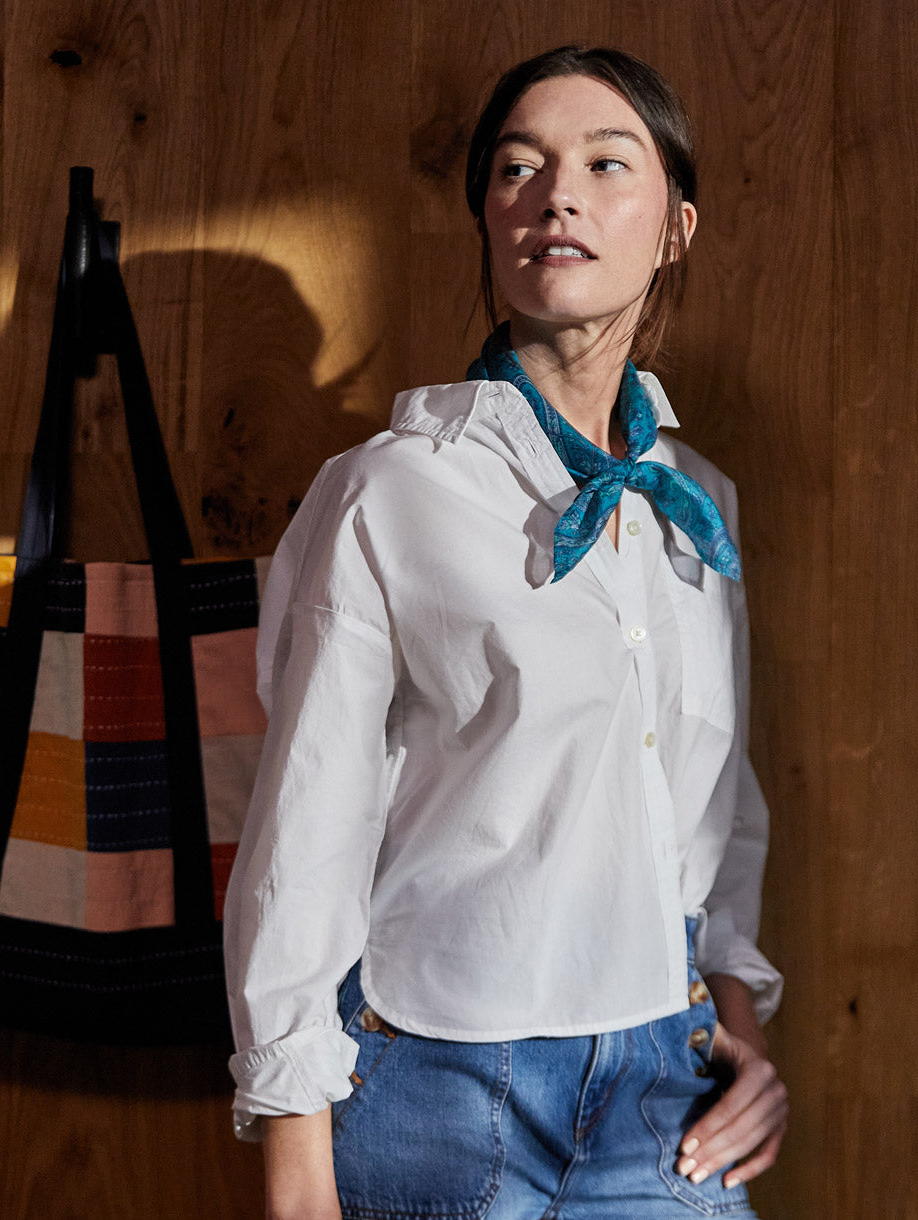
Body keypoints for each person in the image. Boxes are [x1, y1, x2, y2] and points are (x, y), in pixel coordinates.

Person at [224, 45, 788, 1220]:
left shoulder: (700, 504)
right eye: (517, 169)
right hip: (435, 1090)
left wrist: (737, 1029)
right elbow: (303, 834)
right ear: (488, 219)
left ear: (674, 228)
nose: (556, 194)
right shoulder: (387, 493)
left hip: (662, 1090)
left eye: (603, 162)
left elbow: (714, 800)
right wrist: (292, 1165)